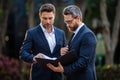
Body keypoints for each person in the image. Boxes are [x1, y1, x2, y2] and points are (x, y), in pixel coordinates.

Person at [47, 5, 97, 80]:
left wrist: (64, 69)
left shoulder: (88, 35)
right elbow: (72, 56)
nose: (67, 25)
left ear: (78, 18)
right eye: (66, 22)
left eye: (69, 22)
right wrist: (61, 53)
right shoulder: (75, 34)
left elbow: (83, 62)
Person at [19, 3, 66, 80]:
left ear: (54, 16)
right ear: (40, 16)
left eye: (50, 18)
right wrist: (33, 58)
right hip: (39, 76)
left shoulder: (61, 33)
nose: (48, 21)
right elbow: (23, 53)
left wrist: (65, 53)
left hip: (57, 76)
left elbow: (64, 54)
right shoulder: (31, 33)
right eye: (45, 18)